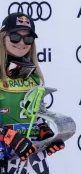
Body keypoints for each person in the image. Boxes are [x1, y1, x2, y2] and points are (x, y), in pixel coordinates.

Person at [0, 12, 65, 174]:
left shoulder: (35, 77)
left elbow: (36, 117)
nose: (22, 43)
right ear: (3, 37)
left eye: (28, 38)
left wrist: (46, 134)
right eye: (15, 37)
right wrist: (9, 137)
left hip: (32, 156)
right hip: (5, 156)